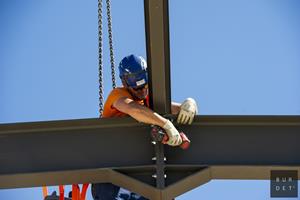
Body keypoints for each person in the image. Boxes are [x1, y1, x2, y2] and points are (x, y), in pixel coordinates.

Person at [92, 54, 198, 200]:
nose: (142, 92)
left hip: (140, 178)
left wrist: (189, 105)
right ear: (125, 83)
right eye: (138, 89)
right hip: (112, 178)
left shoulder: (147, 99)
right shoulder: (117, 95)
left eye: (145, 87)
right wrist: (166, 124)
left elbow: (177, 109)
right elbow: (133, 109)